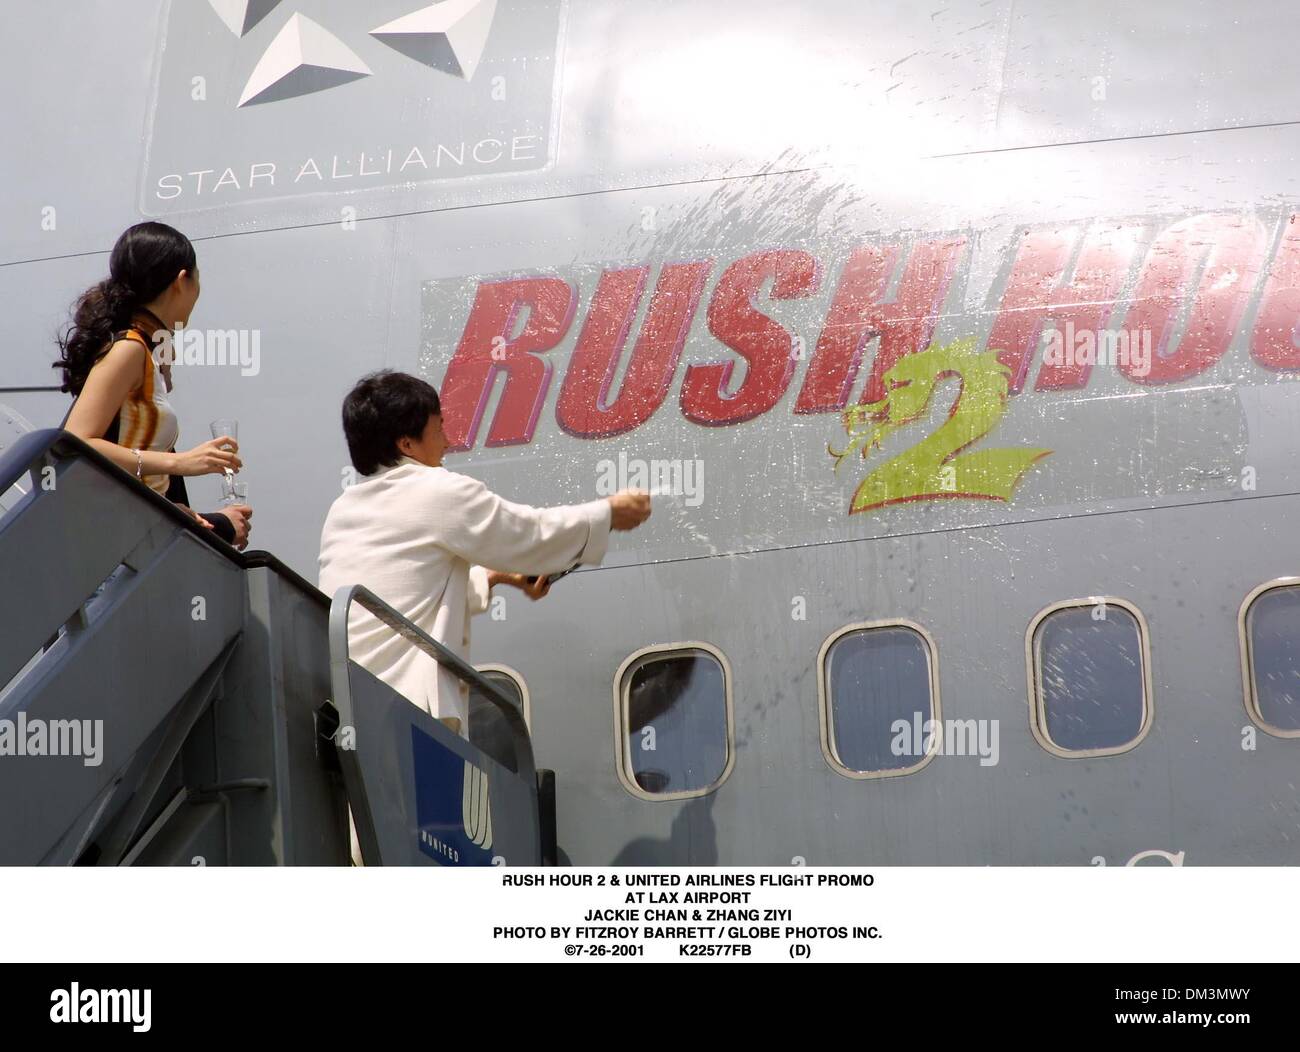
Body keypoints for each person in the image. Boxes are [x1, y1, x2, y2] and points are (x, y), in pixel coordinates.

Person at [318, 370, 652, 735]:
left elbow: (405, 587)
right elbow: (529, 535)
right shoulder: (436, 491)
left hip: (352, 718)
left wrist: (494, 576)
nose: (448, 441)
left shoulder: (343, 509)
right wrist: (607, 514)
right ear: (407, 444)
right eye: (439, 428)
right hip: (409, 720)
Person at [54, 222, 253, 548]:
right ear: (181, 281)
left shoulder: (141, 349)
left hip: (128, 531)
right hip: (110, 542)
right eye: (197, 281)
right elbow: (79, 440)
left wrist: (174, 509)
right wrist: (181, 463)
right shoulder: (130, 348)